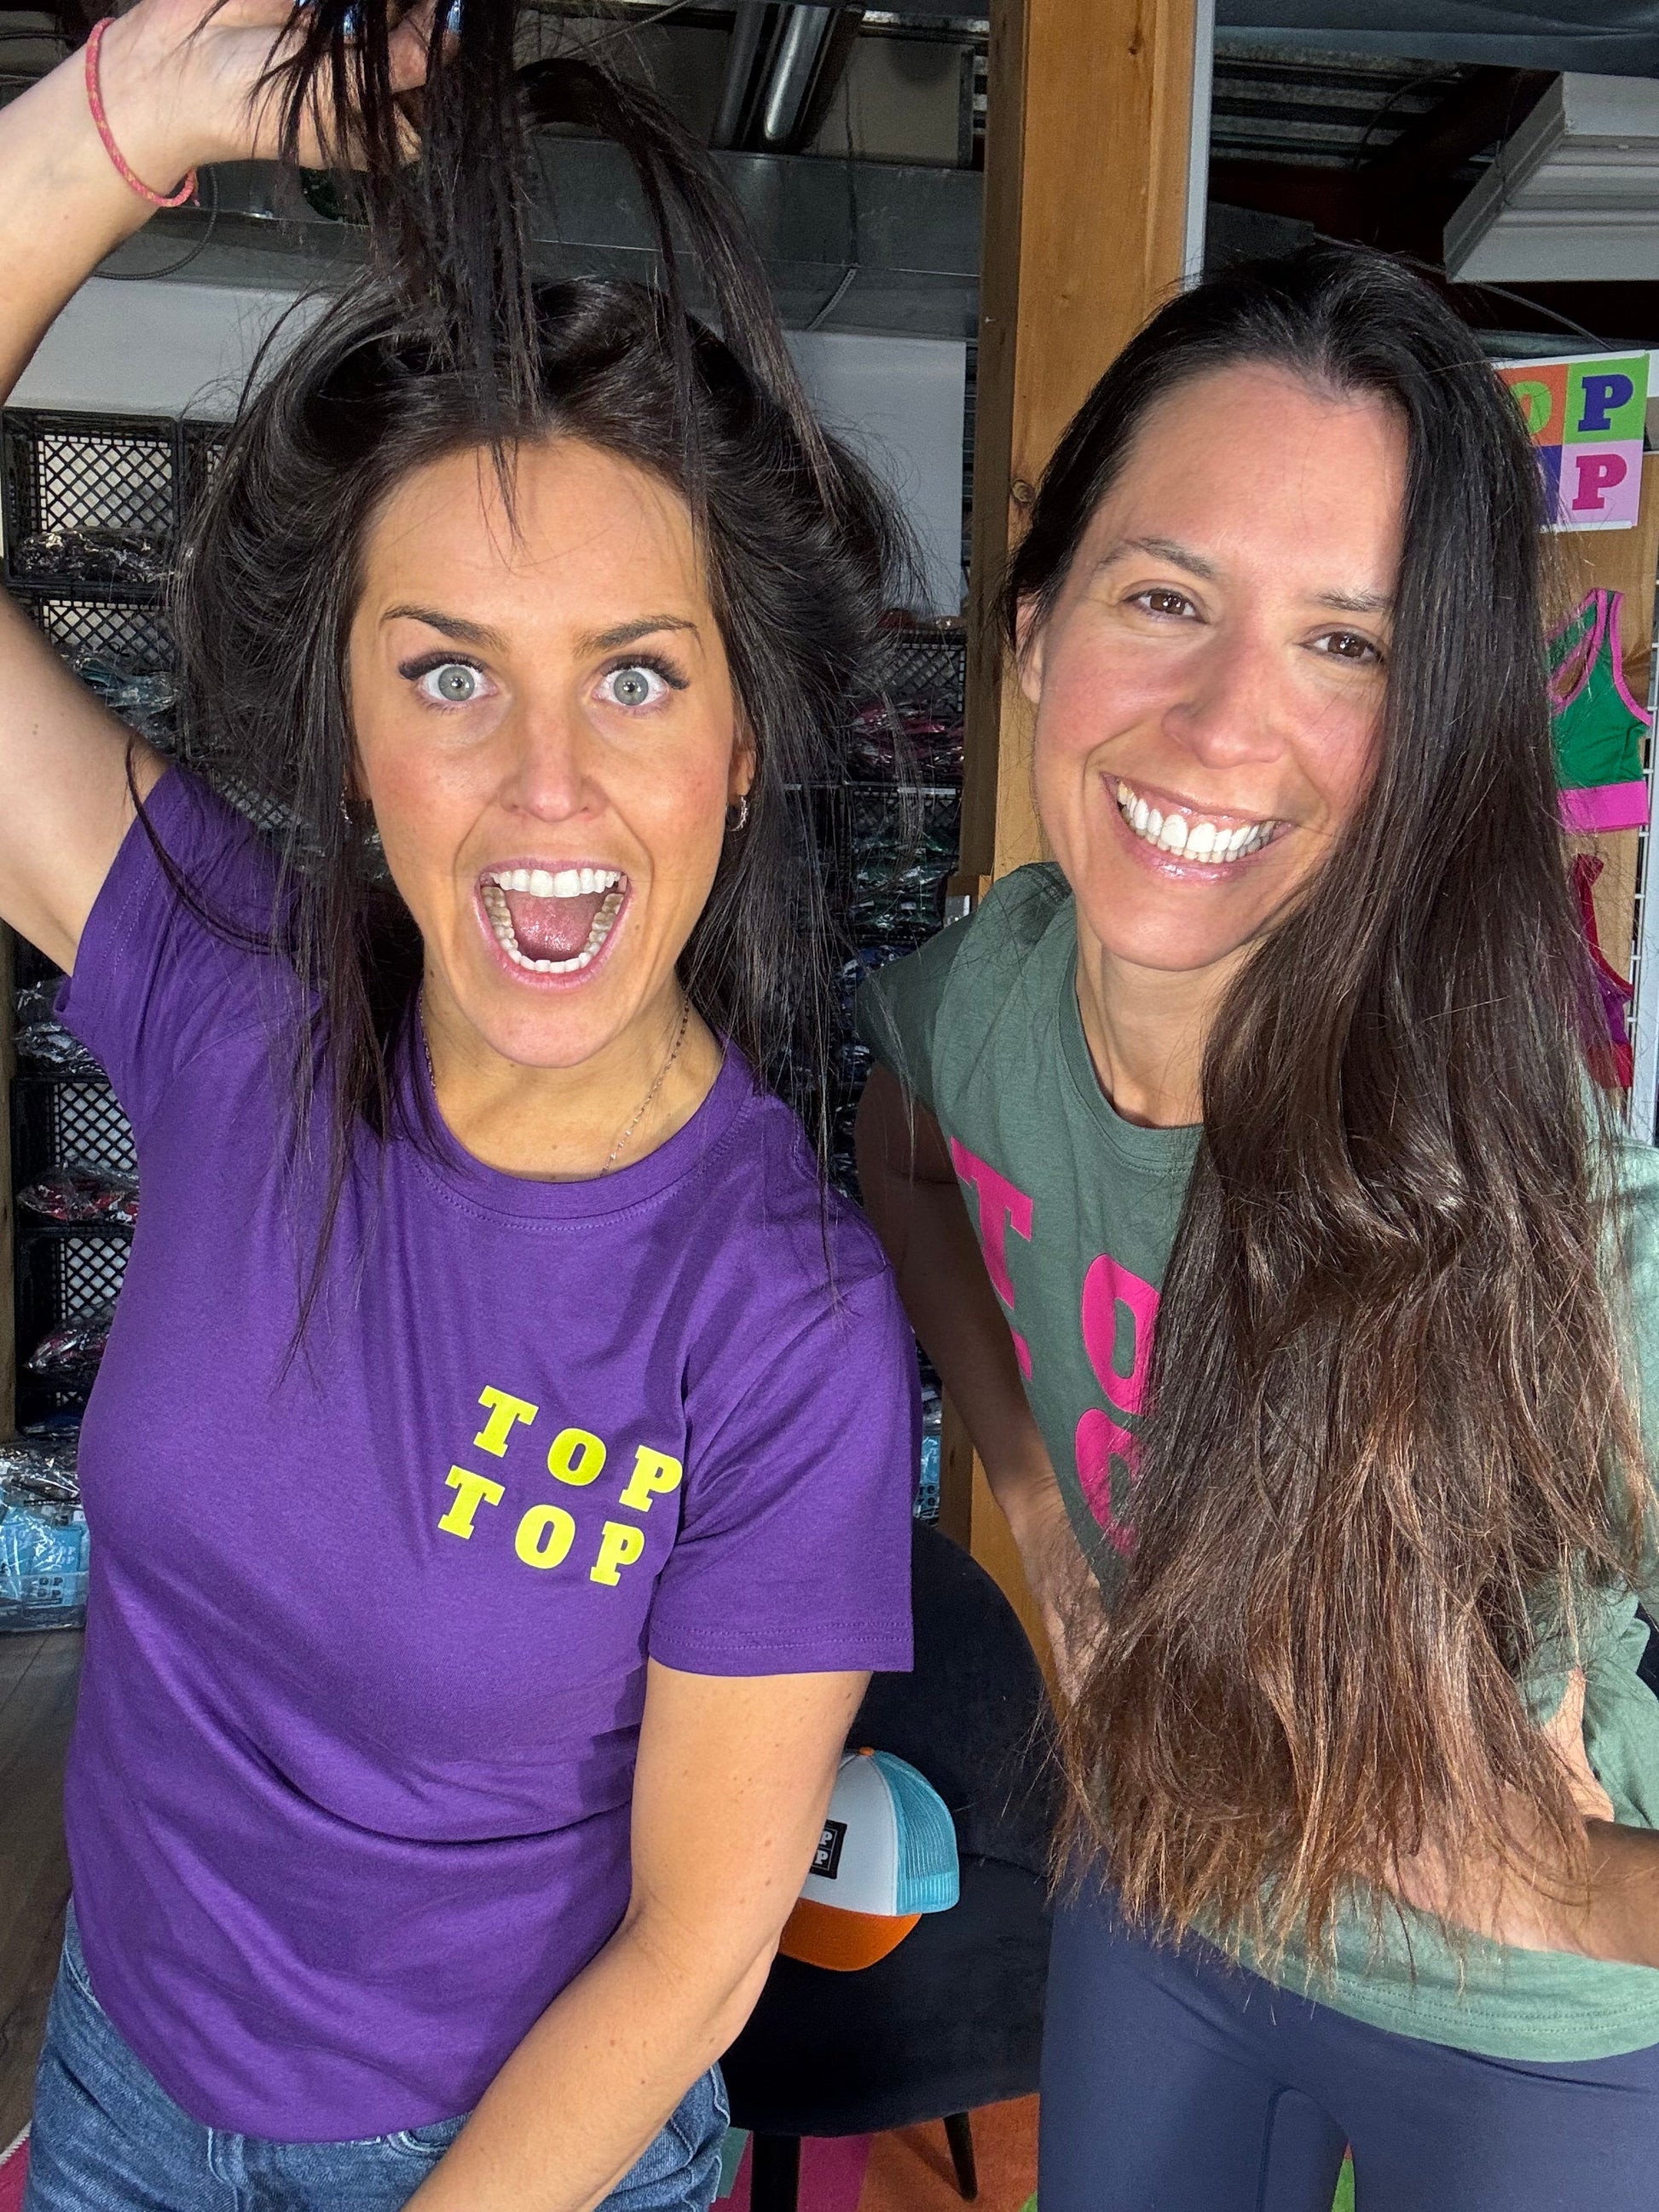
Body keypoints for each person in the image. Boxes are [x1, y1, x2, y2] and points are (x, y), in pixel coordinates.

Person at [1, 6, 919, 2209]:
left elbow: (695, 1950)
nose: (544, 788)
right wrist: (124, 113)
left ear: (739, 741)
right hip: (118, 2083)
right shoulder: (230, 1003)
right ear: (348, 726)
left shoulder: (780, 1317)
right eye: (446, 672)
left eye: (636, 674)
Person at [856, 244, 1659, 2211]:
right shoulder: (989, 994)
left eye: (1346, 644)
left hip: (1528, 2013)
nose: (1226, 721)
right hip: (1179, 1881)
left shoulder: (1556, 1218)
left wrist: (1568, 1880)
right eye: (1164, 597)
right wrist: (1037, 1507)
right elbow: (903, 1153)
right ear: (1034, 626)